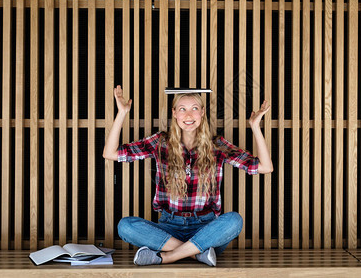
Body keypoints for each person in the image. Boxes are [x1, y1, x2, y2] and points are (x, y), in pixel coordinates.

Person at [103, 85, 273, 266]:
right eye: (182, 109)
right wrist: (121, 112)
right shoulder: (160, 143)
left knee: (234, 221)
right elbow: (110, 153)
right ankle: (196, 253)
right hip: (168, 227)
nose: (189, 115)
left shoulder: (218, 145)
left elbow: (264, 167)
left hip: (206, 229)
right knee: (125, 226)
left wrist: (255, 126)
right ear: (174, 113)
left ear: (202, 112)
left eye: (194, 109)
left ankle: (168, 257)